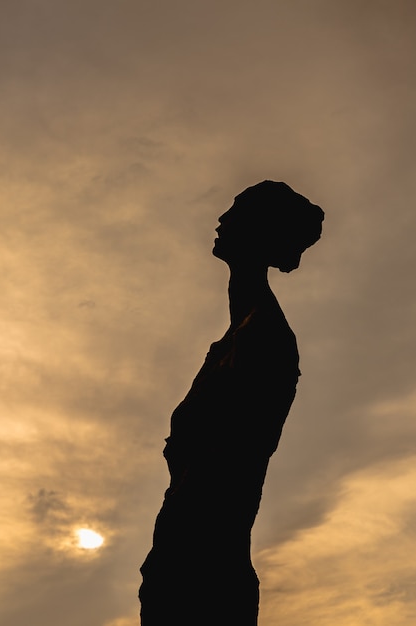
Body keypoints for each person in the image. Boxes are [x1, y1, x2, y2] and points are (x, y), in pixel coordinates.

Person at [139, 181, 324, 626]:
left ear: (262, 231)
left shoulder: (265, 339)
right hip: (180, 559)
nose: (221, 220)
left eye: (237, 212)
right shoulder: (237, 336)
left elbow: (231, 456)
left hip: (204, 571)